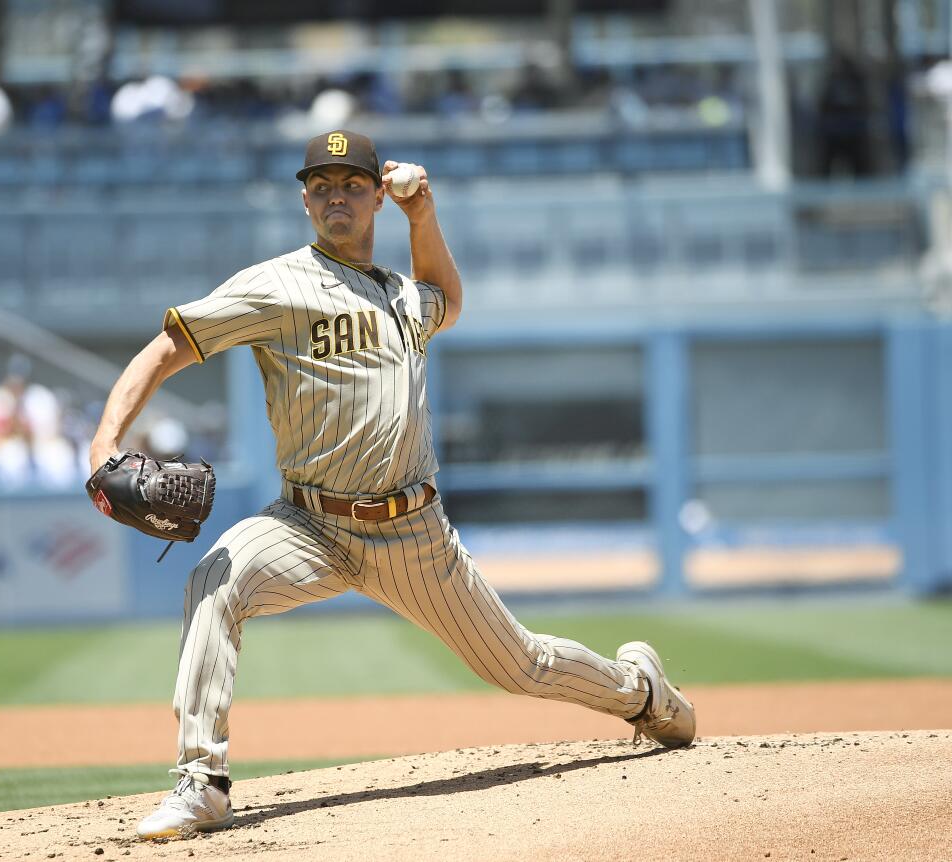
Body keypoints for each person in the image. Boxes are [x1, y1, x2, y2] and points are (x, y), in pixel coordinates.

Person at [88, 129, 695, 841]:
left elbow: (446, 300)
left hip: (413, 533)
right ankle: (202, 783)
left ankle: (641, 692)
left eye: (350, 183)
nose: (334, 195)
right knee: (214, 579)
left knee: (522, 665)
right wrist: (105, 441)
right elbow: (169, 346)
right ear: (305, 198)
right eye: (320, 184)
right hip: (306, 524)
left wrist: (423, 216)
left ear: (377, 193)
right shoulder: (275, 285)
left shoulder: (405, 297)